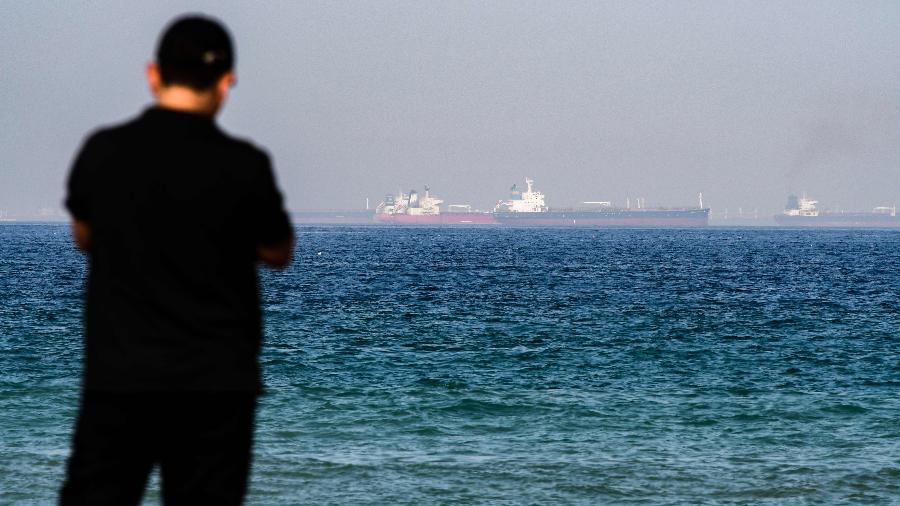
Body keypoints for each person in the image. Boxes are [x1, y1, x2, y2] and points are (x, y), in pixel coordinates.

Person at [60, 15, 293, 505]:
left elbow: (84, 236)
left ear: (153, 74)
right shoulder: (245, 165)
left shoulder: (104, 152)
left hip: (119, 380)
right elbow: (278, 251)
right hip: (217, 387)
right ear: (227, 81)